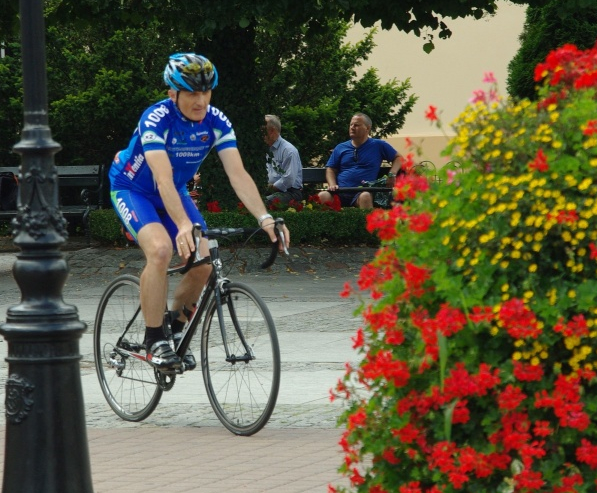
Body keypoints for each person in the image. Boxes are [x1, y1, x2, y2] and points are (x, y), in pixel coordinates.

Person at [109, 52, 290, 371]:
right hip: (134, 188)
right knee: (162, 250)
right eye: (192, 92)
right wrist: (181, 225)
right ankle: (153, 341)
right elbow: (162, 177)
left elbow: (238, 174)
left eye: (205, 92)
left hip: (173, 191)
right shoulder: (155, 119)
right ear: (172, 93)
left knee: (204, 263)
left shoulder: (216, 121)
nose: (200, 100)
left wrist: (264, 218)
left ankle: (173, 335)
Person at [317, 112, 402, 210]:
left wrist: (392, 173)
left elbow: (399, 158)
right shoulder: (340, 147)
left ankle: (367, 225)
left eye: (356, 125)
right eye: (351, 125)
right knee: (323, 196)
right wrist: (332, 184)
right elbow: (330, 169)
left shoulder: (378, 145)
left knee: (365, 196)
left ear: (368, 128)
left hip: (362, 192)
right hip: (340, 192)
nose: (352, 127)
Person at [263, 114, 304, 207]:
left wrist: (269, 188)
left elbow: (288, 180)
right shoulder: (263, 149)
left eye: (263, 130)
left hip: (290, 192)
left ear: (272, 131)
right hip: (270, 190)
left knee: (264, 202)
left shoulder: (289, 150)